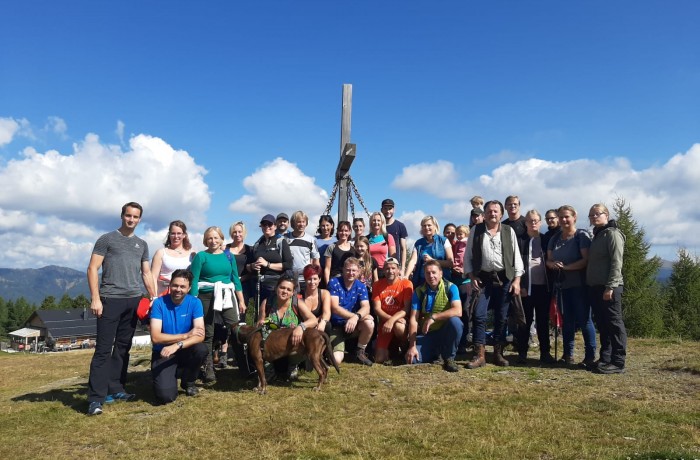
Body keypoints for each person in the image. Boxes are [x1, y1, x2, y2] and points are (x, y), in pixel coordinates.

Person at [86, 202, 156, 416]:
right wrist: (95, 299)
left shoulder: (142, 244)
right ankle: (96, 399)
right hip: (109, 299)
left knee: (123, 347)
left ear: (140, 219)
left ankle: (116, 389)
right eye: (128, 215)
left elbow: (146, 273)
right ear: (122, 216)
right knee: (103, 350)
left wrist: (153, 297)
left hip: (133, 301)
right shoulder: (106, 239)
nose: (131, 219)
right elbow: (92, 268)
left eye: (135, 217)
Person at [464, 200, 524, 369]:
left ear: (501, 214)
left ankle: (498, 353)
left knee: (502, 316)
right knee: (479, 314)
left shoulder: (508, 231)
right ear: (484, 214)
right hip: (483, 279)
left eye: (496, 211)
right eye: (489, 211)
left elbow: (516, 257)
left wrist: (517, 280)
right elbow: (468, 256)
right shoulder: (476, 230)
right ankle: (480, 354)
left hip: (504, 279)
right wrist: (471, 276)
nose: (493, 214)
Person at [190, 226, 246, 383]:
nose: (213, 241)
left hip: (227, 295)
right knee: (207, 332)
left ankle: (244, 365)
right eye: (209, 238)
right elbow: (193, 279)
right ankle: (208, 368)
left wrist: (241, 300)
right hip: (205, 296)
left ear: (222, 239)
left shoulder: (228, 256)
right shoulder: (201, 256)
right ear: (205, 240)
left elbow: (236, 278)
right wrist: (194, 301)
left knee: (235, 329)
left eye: (216, 238)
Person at [546, 205, 596, 368]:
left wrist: (566, 267)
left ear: (574, 217)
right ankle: (568, 355)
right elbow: (548, 259)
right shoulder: (555, 238)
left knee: (584, 320)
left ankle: (590, 356)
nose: (563, 220)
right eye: (561, 217)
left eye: (567, 216)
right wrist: (553, 265)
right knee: (567, 321)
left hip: (580, 285)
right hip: (562, 286)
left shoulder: (581, 236)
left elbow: (585, 260)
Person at [150, 269, 207, 403]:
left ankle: (188, 382)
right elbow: (156, 337)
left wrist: (177, 345)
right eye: (175, 285)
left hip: (184, 349)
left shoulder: (195, 303)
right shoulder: (159, 303)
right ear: (170, 285)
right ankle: (171, 375)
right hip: (163, 352)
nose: (178, 289)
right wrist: (186, 335)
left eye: (182, 287)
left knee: (201, 349)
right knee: (166, 397)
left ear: (189, 288)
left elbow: (200, 335)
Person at [587, 203, 627, 374]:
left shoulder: (613, 234)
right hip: (596, 287)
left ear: (606, 215)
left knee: (614, 323)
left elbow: (616, 262)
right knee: (603, 325)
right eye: (592, 215)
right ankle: (605, 358)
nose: (595, 217)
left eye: (598, 214)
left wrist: (610, 286)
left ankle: (618, 362)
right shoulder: (598, 235)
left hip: (610, 287)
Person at [405, 260, 463, 372]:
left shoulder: (451, 287)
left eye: (434, 272)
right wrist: (412, 346)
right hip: (428, 334)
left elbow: (458, 310)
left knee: (456, 322)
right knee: (413, 360)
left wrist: (433, 317)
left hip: (446, 333)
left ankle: (449, 357)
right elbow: (413, 319)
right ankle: (436, 353)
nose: (431, 276)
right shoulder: (419, 291)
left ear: (441, 273)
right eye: (427, 273)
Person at [257, 275, 318, 379]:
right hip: (273, 349)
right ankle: (269, 370)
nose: (285, 291)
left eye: (289, 289)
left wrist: (301, 327)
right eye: (282, 287)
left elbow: (313, 320)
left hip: (293, 348)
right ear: (276, 288)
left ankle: (293, 366)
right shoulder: (267, 302)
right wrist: (262, 323)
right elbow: (259, 323)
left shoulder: (297, 303)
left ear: (293, 292)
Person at [517, 210, 555, 364]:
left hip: (543, 287)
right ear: (525, 223)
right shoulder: (520, 241)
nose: (533, 223)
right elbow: (516, 263)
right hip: (527, 287)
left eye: (536, 220)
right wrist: (521, 284)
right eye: (530, 220)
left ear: (540, 222)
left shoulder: (547, 239)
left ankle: (545, 353)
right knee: (525, 322)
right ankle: (522, 353)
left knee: (543, 321)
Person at [328, 257, 375, 365]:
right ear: (343, 270)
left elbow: (366, 307)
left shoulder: (361, 286)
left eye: (354, 270)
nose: (351, 273)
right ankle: (329, 350)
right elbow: (334, 308)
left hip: (353, 325)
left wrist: (356, 317)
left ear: (359, 272)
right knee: (336, 360)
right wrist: (354, 316)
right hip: (336, 326)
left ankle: (360, 352)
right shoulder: (334, 283)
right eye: (348, 270)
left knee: (369, 322)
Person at [372, 257, 413, 364]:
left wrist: (392, 321)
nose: (390, 271)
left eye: (393, 268)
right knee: (379, 359)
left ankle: (404, 345)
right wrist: (390, 320)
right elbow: (377, 309)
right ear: (384, 270)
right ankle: (392, 348)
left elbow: (406, 308)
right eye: (387, 268)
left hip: (400, 321)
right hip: (385, 323)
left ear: (398, 270)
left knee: (399, 327)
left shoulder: (406, 284)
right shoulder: (377, 285)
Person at [247, 214, 294, 308]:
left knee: (272, 314)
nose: (267, 227)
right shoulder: (257, 244)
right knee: (259, 313)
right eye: (264, 224)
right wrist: (252, 266)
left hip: (275, 284)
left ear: (275, 226)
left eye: (270, 224)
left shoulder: (281, 241)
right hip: (258, 284)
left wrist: (268, 264)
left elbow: (289, 264)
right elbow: (248, 265)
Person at [405, 216, 454, 287]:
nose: (426, 228)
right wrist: (406, 276)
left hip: (441, 281)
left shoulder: (443, 241)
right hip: (421, 282)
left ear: (435, 226)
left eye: (429, 225)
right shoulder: (418, 243)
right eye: (424, 226)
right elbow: (413, 261)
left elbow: (450, 263)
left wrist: (432, 260)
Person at [151, 220, 195, 296]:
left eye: (179, 233)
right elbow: (153, 277)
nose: (176, 236)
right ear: (169, 235)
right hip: (163, 294)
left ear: (184, 235)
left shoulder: (192, 253)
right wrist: (154, 296)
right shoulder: (161, 253)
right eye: (173, 233)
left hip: (184, 295)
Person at [450, 225, 472, 352]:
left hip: (466, 280)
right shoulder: (455, 245)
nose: (459, 236)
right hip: (455, 279)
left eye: (462, 233)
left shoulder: (468, 246)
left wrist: (464, 270)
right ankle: (456, 341)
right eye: (458, 233)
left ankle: (464, 340)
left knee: (465, 311)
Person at [285, 210, 320, 289]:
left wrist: (315, 277)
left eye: (303, 222)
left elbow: (316, 261)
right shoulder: (285, 238)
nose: (301, 224)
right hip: (289, 278)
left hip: (306, 279)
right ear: (293, 223)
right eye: (298, 222)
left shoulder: (311, 240)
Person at [381, 199, 409, 277]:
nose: (388, 211)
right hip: (380, 266)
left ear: (394, 210)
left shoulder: (400, 226)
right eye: (385, 208)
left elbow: (403, 249)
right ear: (381, 210)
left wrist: (402, 269)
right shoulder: (378, 227)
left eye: (390, 209)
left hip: (394, 266)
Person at [301, 264, 332, 333]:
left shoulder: (324, 293)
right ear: (305, 279)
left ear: (319, 279)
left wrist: (323, 322)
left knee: (328, 325)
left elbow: (327, 313)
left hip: (319, 326)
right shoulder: (299, 295)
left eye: (315, 279)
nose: (312, 282)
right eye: (309, 279)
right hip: (304, 326)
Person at [323, 220, 356, 285]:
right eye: (341, 230)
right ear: (338, 231)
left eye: (346, 231)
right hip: (336, 280)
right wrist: (328, 284)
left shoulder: (353, 248)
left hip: (351, 280)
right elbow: (327, 269)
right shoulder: (331, 247)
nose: (343, 233)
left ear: (350, 232)